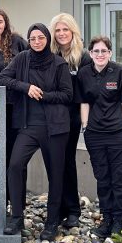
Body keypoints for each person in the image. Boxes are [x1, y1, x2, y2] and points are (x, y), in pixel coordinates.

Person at [0, 23, 73, 240]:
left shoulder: (59, 63)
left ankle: (52, 222)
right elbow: (2, 78)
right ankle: (17, 217)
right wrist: (26, 87)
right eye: (33, 38)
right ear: (28, 41)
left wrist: (44, 95)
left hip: (55, 128)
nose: (37, 42)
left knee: (55, 175)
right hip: (28, 126)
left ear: (47, 39)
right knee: (15, 165)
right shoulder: (22, 58)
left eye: (41, 38)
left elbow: (67, 95)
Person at [77, 35, 122, 238]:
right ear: (90, 53)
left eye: (104, 51)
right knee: (102, 178)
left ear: (110, 53)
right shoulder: (84, 73)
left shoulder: (120, 72)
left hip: (118, 134)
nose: (100, 54)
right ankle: (106, 218)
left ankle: (119, 221)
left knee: (119, 179)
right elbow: (84, 103)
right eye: (96, 51)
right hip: (95, 135)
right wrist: (85, 127)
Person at [0, 8, 29, 194]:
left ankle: (17, 200)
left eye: (0, 21)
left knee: (17, 156)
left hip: (18, 105)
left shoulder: (18, 42)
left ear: (6, 23)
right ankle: (2, 198)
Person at [51, 13, 91, 229]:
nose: (61, 33)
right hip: (51, 116)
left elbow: (87, 91)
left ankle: (73, 210)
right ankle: (57, 209)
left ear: (73, 31)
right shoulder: (50, 55)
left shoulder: (83, 57)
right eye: (58, 30)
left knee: (67, 161)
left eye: (65, 29)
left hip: (72, 117)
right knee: (54, 162)